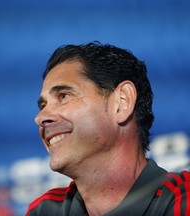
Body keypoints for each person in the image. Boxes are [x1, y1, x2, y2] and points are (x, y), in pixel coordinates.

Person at [26, 41, 190, 216]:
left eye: (64, 96)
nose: (40, 118)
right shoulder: (45, 210)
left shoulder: (182, 199)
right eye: (42, 106)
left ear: (122, 102)